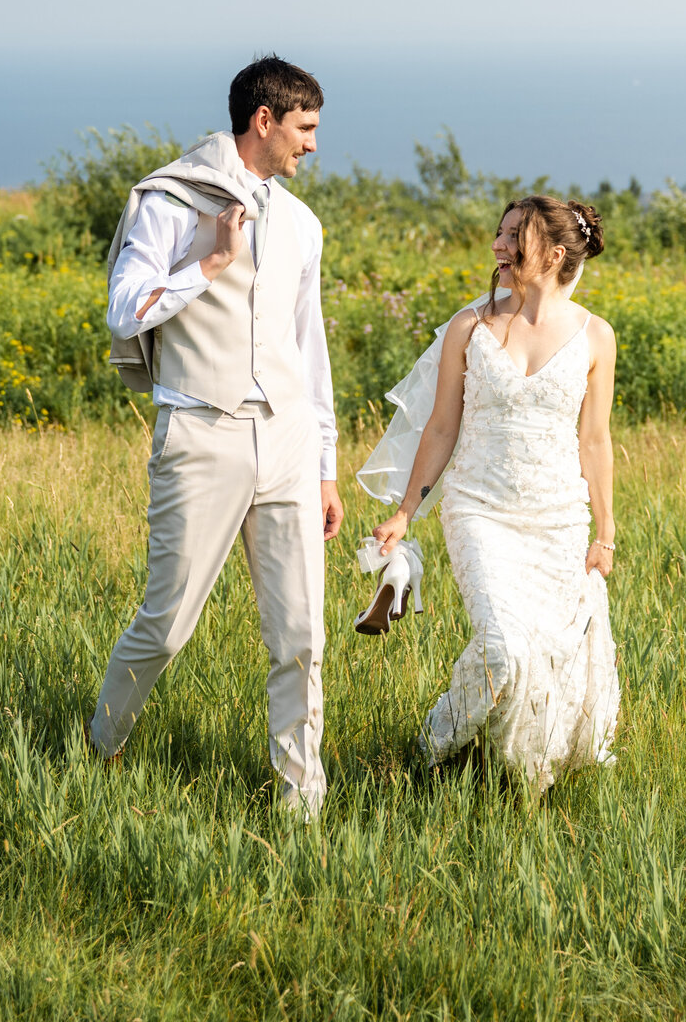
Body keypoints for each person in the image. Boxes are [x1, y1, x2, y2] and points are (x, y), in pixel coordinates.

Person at [89, 56, 342, 817]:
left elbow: (310, 348)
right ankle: (101, 744)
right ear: (264, 120)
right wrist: (211, 262)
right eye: (305, 129)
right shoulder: (170, 199)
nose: (313, 147)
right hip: (200, 435)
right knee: (166, 626)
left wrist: (326, 465)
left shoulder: (301, 223)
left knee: (302, 634)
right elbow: (124, 311)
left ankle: (303, 800)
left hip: (289, 444)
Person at [363, 195, 619, 786]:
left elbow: (596, 442)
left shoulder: (596, 337)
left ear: (555, 254)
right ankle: (432, 749)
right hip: (479, 508)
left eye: (514, 237)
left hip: (558, 517)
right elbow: (443, 426)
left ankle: (510, 771)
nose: (499, 247)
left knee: (546, 653)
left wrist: (605, 533)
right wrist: (406, 511)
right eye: (499, 235)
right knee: (503, 645)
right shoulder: (470, 326)